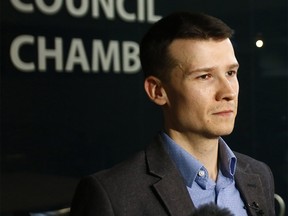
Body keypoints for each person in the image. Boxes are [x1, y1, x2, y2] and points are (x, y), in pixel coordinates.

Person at [70, 11, 275, 216]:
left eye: (230, 73)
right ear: (158, 91)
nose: (228, 92)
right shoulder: (112, 195)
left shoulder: (258, 175)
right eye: (205, 76)